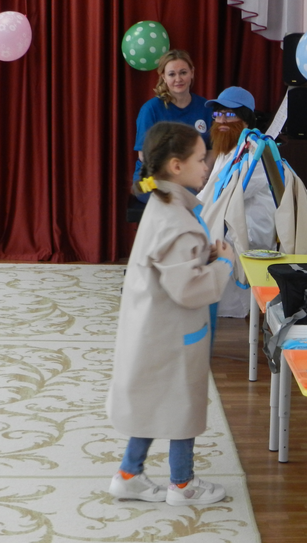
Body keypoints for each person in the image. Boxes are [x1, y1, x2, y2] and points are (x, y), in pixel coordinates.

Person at [107, 121, 235, 506]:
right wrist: (224, 263)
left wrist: (202, 257)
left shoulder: (161, 204)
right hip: (173, 332)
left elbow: (172, 265)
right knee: (182, 403)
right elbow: (189, 289)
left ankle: (129, 474)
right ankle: (183, 485)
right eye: (201, 159)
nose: (207, 166)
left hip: (151, 326)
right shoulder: (179, 222)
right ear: (176, 166)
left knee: (153, 399)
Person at [198, 86, 277, 318]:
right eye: (218, 114)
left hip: (247, 230)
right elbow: (209, 193)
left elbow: (226, 196)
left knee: (200, 240)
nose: (222, 120)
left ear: (245, 119)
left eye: (230, 114)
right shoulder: (228, 148)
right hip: (227, 220)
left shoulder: (255, 152)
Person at [133, 50, 214, 187]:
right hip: (151, 178)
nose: (178, 79)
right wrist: (177, 181)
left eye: (183, 72)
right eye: (172, 74)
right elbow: (144, 155)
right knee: (176, 195)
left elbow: (211, 150)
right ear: (163, 77)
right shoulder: (150, 109)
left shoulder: (206, 107)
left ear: (192, 73)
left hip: (192, 177)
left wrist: (202, 178)